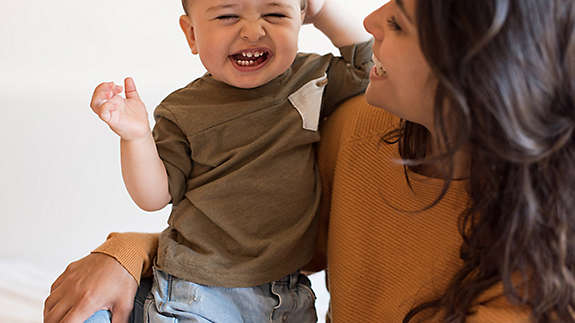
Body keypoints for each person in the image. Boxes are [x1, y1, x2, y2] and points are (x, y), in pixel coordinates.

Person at [45, 0, 575, 322]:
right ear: (190, 32)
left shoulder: (541, 275)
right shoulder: (357, 126)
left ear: (480, 72)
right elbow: (257, 225)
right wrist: (129, 252)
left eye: (401, 21)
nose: (369, 17)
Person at [46, 0, 372, 322]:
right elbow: (154, 196)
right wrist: (136, 137)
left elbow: (373, 65)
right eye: (228, 16)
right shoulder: (184, 110)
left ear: (300, 19)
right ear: (191, 34)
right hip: (197, 288)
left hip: (287, 294)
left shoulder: (312, 79)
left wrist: (324, 9)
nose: (253, 31)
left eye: (275, 14)